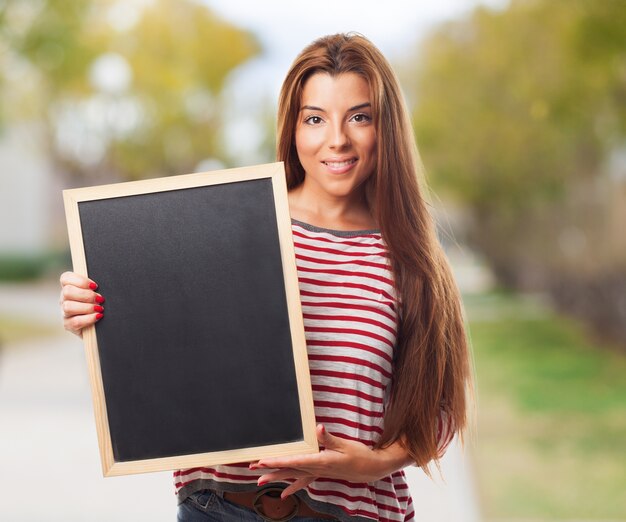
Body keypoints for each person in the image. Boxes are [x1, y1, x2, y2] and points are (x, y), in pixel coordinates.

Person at [60, 33, 472, 521]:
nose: (336, 139)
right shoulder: (232, 222)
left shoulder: (411, 258)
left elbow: (441, 405)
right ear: (293, 128)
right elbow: (167, 344)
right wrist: (100, 311)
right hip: (217, 507)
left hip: (349, 513)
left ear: (387, 127)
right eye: (314, 119)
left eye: (359, 117)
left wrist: (376, 462)